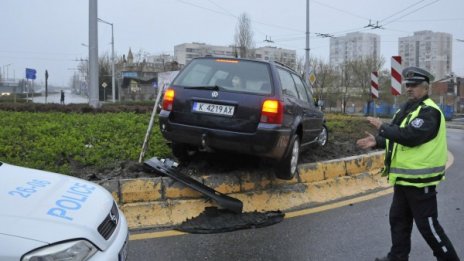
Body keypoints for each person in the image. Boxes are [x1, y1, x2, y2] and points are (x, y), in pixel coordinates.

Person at [356, 66, 460, 261]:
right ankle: (397, 257)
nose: (409, 88)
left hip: (420, 180)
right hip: (404, 179)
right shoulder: (406, 109)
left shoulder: (430, 112)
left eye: (414, 85)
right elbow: (397, 136)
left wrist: (382, 127)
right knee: (398, 221)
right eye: (408, 85)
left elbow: (410, 137)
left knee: (428, 227)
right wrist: (377, 141)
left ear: (426, 88)